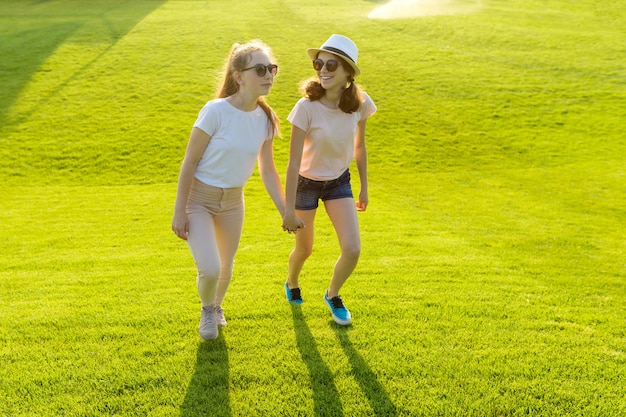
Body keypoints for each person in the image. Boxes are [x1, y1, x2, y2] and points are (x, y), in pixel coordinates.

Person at [172, 40, 302, 341]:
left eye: (272, 68)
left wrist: (286, 210)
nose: (269, 75)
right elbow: (189, 161)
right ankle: (207, 309)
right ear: (239, 76)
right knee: (210, 267)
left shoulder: (266, 119)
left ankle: (217, 306)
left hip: (233, 202)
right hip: (199, 201)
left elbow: (267, 170)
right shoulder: (215, 111)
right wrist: (179, 211)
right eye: (260, 69)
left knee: (227, 265)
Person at [281, 34, 377, 325]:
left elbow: (359, 146)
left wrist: (363, 186)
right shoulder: (306, 108)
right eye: (318, 63)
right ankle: (292, 282)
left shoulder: (361, 104)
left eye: (331, 64)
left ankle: (332, 293)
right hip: (306, 184)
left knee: (352, 248)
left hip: (339, 182)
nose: (322, 69)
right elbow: (293, 161)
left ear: (348, 71)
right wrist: (287, 209)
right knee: (304, 249)